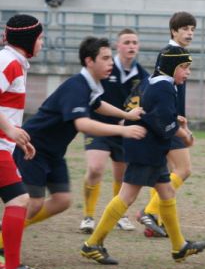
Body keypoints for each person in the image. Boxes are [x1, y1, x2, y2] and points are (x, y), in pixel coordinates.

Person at [6, 37, 146, 246]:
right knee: (33, 203)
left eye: (110, 58)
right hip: (34, 147)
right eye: (105, 58)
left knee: (62, 200)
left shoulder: (89, 86)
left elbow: (98, 105)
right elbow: (82, 124)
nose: (110, 63)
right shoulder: (76, 86)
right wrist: (123, 130)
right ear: (89, 61)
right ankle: (5, 238)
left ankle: (8, 232)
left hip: (54, 152)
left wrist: (128, 115)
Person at [81, 45, 205, 265]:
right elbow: (161, 123)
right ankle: (93, 243)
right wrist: (184, 134)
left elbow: (155, 115)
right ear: (170, 67)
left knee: (167, 192)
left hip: (150, 148)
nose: (188, 72)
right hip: (145, 149)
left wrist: (174, 123)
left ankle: (179, 247)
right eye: (184, 67)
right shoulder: (165, 88)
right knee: (127, 196)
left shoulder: (155, 82)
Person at [0, 15, 55, 269]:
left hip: (4, 146)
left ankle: (10, 267)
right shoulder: (7, 62)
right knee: (19, 200)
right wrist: (10, 131)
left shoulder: (15, 63)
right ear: (27, 40)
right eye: (40, 38)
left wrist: (18, 138)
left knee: (17, 201)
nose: (42, 43)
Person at [79, 29, 149, 234]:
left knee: (123, 176)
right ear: (118, 46)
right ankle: (88, 216)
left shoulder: (142, 75)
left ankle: (121, 216)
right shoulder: (105, 68)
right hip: (98, 127)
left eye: (135, 42)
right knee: (95, 168)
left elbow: (142, 103)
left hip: (123, 132)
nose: (131, 46)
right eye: (126, 42)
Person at [137, 12, 196, 238]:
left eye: (192, 29)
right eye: (185, 29)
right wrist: (176, 122)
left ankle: (155, 221)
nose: (189, 33)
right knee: (183, 169)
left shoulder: (180, 53)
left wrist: (181, 117)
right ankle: (149, 212)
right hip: (165, 121)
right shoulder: (169, 54)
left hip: (171, 119)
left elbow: (176, 92)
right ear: (174, 31)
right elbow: (163, 91)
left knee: (167, 173)